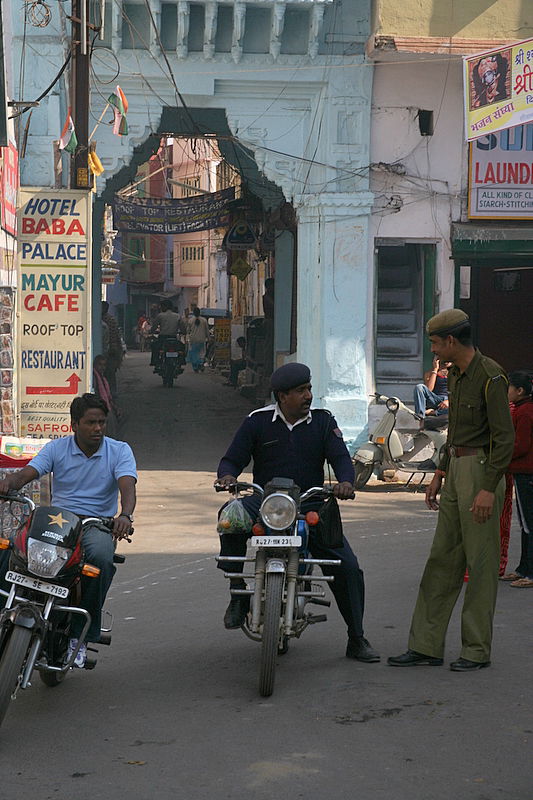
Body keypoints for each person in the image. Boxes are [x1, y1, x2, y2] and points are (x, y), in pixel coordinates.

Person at [215, 362, 379, 663]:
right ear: (282, 396)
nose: (308, 395)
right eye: (301, 391)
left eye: (309, 389)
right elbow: (231, 460)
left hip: (310, 504)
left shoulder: (323, 422)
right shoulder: (257, 421)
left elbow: (341, 458)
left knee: (348, 567)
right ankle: (238, 593)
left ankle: (357, 637)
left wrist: (345, 481)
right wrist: (227, 477)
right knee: (231, 515)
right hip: (267, 504)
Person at [388, 309, 514, 672]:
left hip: (481, 470)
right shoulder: (455, 375)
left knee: (481, 564)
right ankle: (426, 646)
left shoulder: (490, 375)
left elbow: (504, 438)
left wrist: (489, 488)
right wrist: (440, 471)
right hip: (457, 467)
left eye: (435, 343)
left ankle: (476, 650)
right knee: (442, 560)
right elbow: (457, 428)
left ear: (452, 341)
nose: (433, 350)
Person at [0, 394, 137, 667]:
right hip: (58, 519)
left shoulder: (119, 450)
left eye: (101, 422)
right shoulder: (56, 448)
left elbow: (127, 486)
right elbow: (27, 473)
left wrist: (125, 515)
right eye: (90, 422)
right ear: (74, 424)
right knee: (12, 546)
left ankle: (80, 635)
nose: (98, 428)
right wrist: (9, 482)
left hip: (95, 523)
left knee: (100, 557)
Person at [500, 371, 533, 588]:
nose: (507, 392)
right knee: (526, 524)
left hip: (526, 473)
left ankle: (529, 573)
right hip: (524, 472)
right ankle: (523, 568)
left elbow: (520, 446)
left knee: (529, 525)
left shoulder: (524, 412)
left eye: (509, 387)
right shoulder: (524, 409)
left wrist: (500, 457)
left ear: (519, 391)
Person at [149, 299, 185, 370]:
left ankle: (155, 362)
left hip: (163, 338)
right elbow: (183, 329)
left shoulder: (160, 316)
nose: (161, 308)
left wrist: (152, 331)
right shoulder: (178, 316)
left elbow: (154, 327)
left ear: (165, 307)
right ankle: (181, 362)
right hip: (174, 338)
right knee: (181, 347)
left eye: (161, 307)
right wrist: (183, 332)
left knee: (154, 346)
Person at [101, 301, 123, 399]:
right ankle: (111, 392)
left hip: (109, 350)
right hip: (112, 349)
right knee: (110, 373)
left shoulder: (102, 320)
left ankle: (108, 393)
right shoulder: (111, 319)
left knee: (107, 372)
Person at [186, 307, 210, 373]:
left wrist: (187, 339)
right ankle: (200, 364)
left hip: (193, 340)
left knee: (194, 354)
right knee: (201, 353)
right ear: (200, 313)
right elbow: (207, 331)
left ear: (193, 313)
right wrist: (209, 338)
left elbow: (188, 331)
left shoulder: (190, 320)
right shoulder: (204, 320)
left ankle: (195, 367)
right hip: (202, 339)